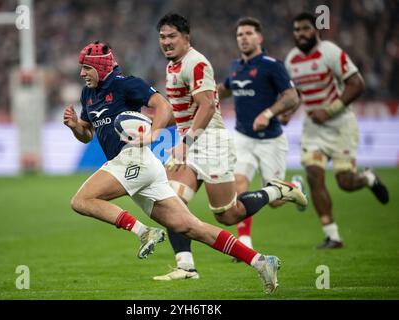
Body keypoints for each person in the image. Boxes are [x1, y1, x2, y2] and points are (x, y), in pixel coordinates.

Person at [63, 40, 288, 294]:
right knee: (191, 227)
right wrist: (75, 126)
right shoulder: (88, 94)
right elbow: (87, 133)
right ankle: (260, 261)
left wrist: (152, 133)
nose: (82, 73)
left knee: (81, 200)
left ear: (101, 67)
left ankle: (143, 232)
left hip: (133, 157)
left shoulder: (126, 84)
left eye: (87, 68)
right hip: (138, 166)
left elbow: (164, 107)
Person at [153, 13, 307, 281]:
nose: (166, 42)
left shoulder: (196, 63)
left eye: (172, 36)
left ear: (186, 38)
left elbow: (208, 105)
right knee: (171, 204)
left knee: (227, 215)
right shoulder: (173, 66)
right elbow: (179, 110)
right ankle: (186, 266)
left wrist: (186, 143)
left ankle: (280, 190)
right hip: (189, 143)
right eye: (162, 37)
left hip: (210, 143)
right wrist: (152, 128)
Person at [284, 12, 389, 249]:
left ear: (316, 30)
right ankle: (333, 235)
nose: (301, 34)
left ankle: (367, 178)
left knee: (345, 182)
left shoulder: (330, 52)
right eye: (297, 30)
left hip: (341, 124)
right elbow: (296, 94)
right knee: (313, 174)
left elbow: (357, 84)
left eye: (306, 29)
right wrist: (288, 112)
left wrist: (329, 111)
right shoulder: (291, 61)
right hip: (313, 128)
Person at [217, 17, 306, 254]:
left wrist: (268, 113)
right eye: (239, 34)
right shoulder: (236, 66)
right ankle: (245, 241)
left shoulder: (272, 65)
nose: (243, 38)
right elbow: (224, 89)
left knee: (275, 201)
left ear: (259, 37)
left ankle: (295, 184)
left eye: (248, 33)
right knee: (238, 186)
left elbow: (292, 96)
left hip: (271, 140)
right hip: (242, 137)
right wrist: (205, 96)